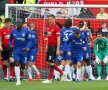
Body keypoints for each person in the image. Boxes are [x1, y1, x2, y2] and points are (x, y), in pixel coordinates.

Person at [41, 14, 65, 83]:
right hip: (49, 46)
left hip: (53, 47)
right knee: (48, 62)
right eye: (48, 19)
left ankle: (49, 79)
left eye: (50, 19)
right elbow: (49, 37)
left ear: (54, 19)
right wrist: (46, 46)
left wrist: (58, 49)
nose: (49, 20)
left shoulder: (56, 27)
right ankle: (62, 73)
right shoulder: (49, 27)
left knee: (51, 63)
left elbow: (58, 38)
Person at [9, 20, 32, 85]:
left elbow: (30, 40)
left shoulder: (26, 31)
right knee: (16, 63)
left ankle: (23, 68)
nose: (18, 24)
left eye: (20, 23)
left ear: (22, 24)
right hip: (16, 50)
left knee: (23, 66)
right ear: (16, 24)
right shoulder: (13, 31)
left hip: (24, 51)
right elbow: (10, 39)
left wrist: (27, 47)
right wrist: (10, 44)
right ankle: (18, 80)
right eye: (17, 23)